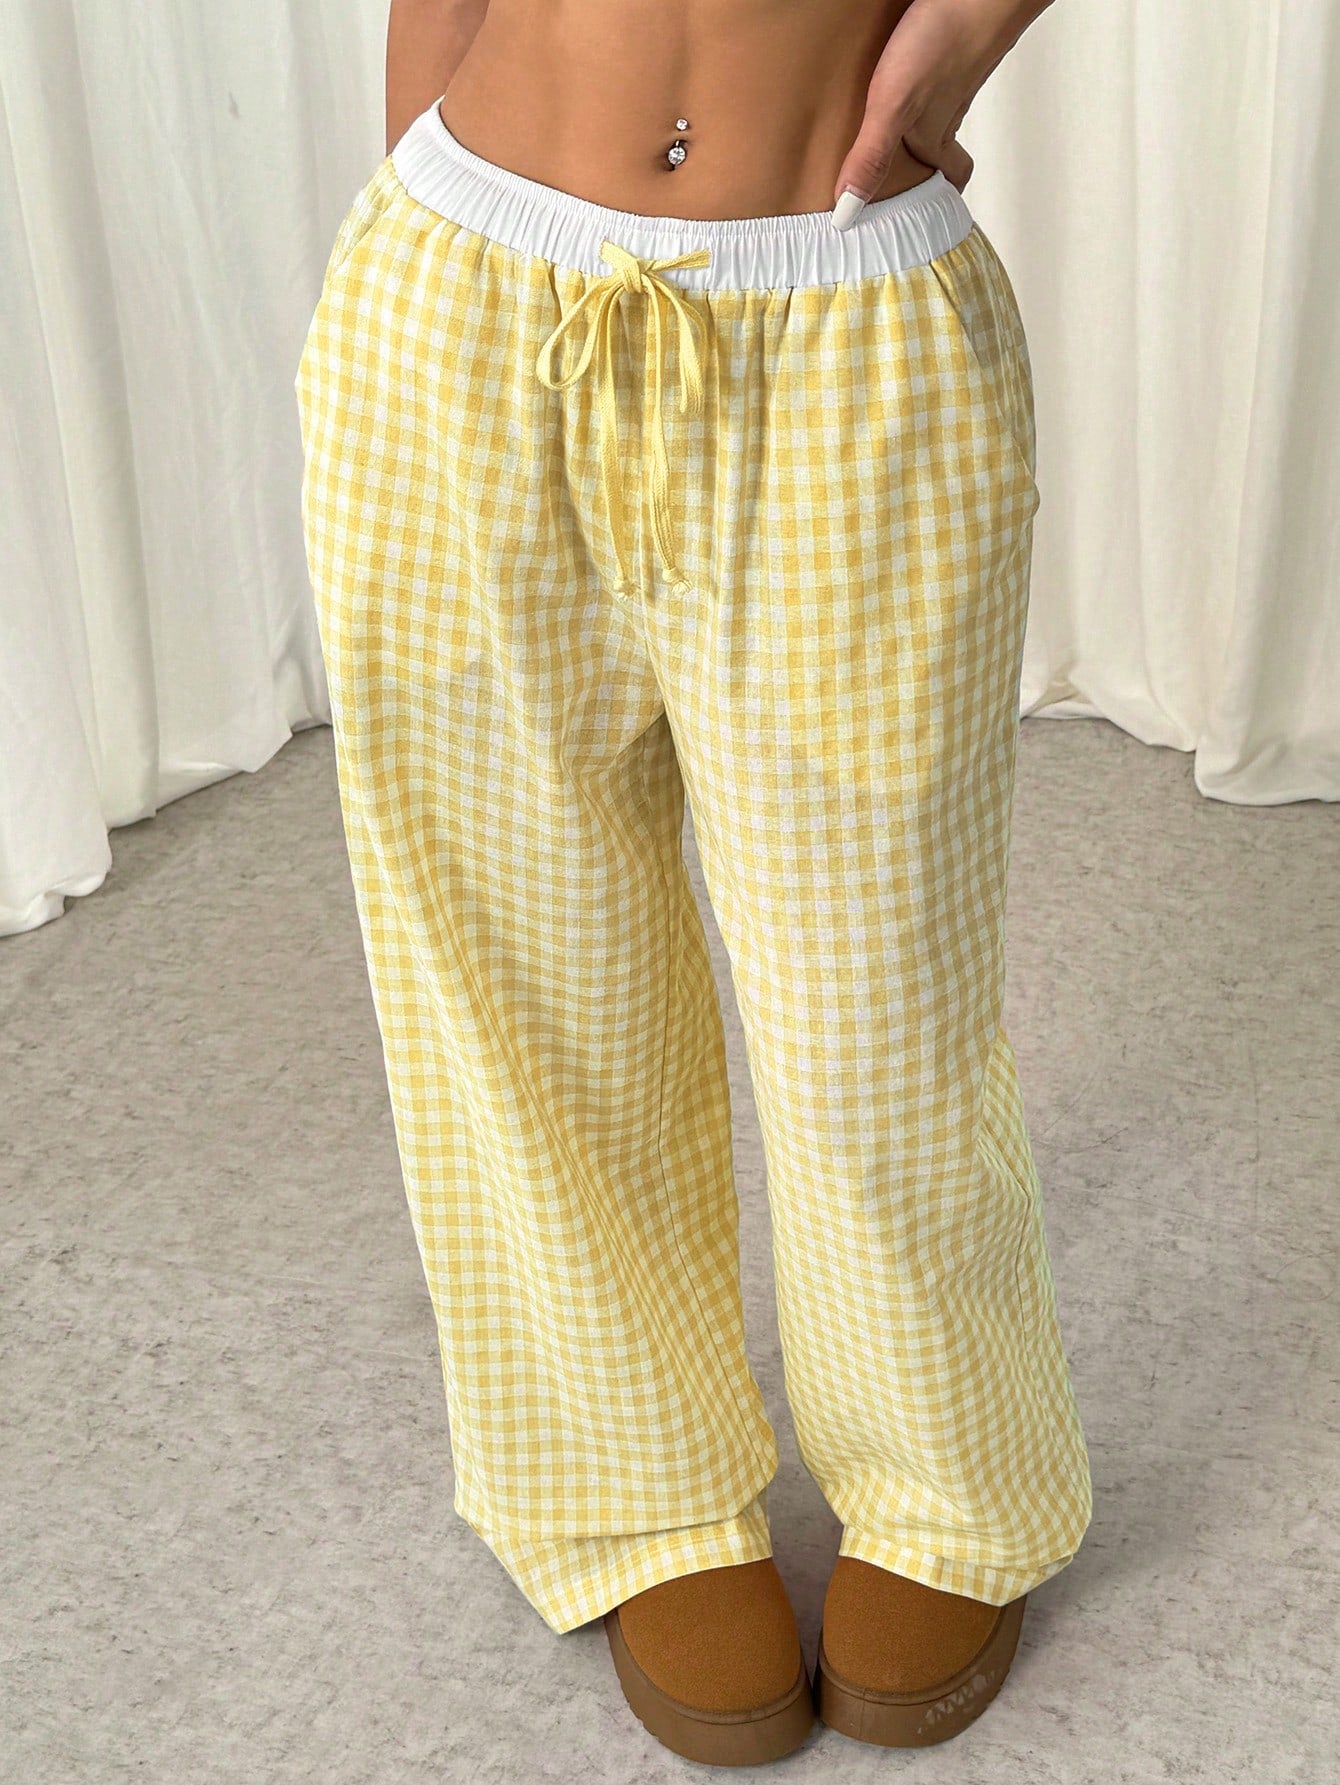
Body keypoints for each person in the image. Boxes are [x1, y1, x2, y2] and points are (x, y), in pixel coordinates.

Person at [295, 0, 1092, 1763]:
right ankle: (633, 1479)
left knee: (873, 1007)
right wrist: (430, 245)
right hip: (464, 284)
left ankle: (945, 1477)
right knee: (518, 961)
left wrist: (969, 28)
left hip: (845, 319)